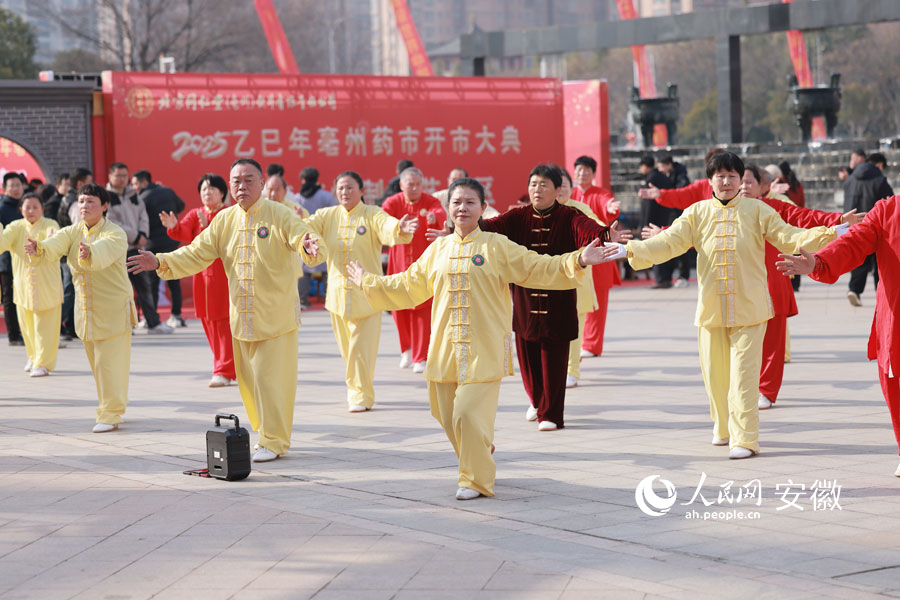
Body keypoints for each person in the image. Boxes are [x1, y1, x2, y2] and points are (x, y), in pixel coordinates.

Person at [346, 177, 622, 500]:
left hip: (484, 349)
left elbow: (536, 267)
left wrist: (576, 259)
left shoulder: (496, 246)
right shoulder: (439, 249)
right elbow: (408, 285)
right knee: (445, 413)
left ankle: (475, 479)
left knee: (466, 414)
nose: (462, 208)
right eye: (456, 202)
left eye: (470, 202)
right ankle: (480, 446)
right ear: (448, 208)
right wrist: (369, 282)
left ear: (483, 208)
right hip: (445, 349)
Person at [625, 152, 838, 459]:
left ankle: (745, 438)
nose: (726, 182)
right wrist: (629, 249)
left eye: (732, 176)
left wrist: (834, 233)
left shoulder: (758, 210)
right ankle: (723, 428)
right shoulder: (696, 212)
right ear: (709, 180)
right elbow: (668, 242)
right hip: (711, 309)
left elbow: (790, 236)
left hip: (751, 309)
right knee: (715, 377)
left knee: (743, 376)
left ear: (742, 181)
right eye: (719, 176)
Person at [127, 159, 324, 463]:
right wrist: (161, 262)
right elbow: (197, 252)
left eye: (248, 180)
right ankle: (266, 433)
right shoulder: (223, 220)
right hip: (241, 318)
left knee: (272, 382)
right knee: (250, 384)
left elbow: (303, 238)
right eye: (236, 181)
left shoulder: (280, 214)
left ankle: (274, 440)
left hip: (276, 318)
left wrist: (311, 248)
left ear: (261, 183)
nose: (241, 186)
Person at [479, 164, 625, 430]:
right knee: (528, 362)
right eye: (533, 184)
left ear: (558, 190)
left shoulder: (570, 215)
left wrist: (605, 235)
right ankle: (537, 402)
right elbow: (489, 227)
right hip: (525, 300)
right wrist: (463, 226)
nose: (537, 189)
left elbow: (589, 229)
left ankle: (551, 415)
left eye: (544, 184)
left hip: (558, 300)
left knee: (554, 364)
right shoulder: (517, 217)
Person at [777, 196, 900, 476]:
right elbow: (854, 242)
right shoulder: (887, 211)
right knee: (895, 384)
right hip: (896, 313)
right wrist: (819, 263)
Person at [25, 184, 137, 432]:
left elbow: (104, 252)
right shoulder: (72, 231)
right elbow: (54, 245)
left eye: (91, 201)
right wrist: (40, 248)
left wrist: (90, 251)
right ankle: (113, 406)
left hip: (113, 308)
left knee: (109, 365)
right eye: (81, 201)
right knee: (98, 365)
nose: (84, 206)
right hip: (86, 310)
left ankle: (110, 414)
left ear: (105, 206)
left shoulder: (115, 233)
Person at [304, 171, 418, 411]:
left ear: (362, 191)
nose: (345, 192)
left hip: (366, 297)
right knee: (349, 352)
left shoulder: (371, 214)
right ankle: (360, 389)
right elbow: (306, 227)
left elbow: (388, 226)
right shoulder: (327, 216)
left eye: (350, 187)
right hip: (337, 297)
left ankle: (359, 395)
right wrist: (300, 233)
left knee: (359, 350)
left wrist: (400, 227)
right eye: (341, 188)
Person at [160, 174, 236, 388]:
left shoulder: (229, 214)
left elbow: (224, 241)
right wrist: (174, 226)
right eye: (203, 189)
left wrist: (208, 225)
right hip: (202, 278)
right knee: (207, 320)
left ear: (222, 192)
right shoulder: (196, 214)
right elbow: (183, 231)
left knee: (223, 323)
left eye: (212, 189)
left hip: (223, 275)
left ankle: (224, 369)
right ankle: (222, 365)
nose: (207, 192)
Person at [382, 167, 446, 372]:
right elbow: (382, 219)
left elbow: (439, 211)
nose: (415, 187)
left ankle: (421, 356)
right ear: (402, 185)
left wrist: (434, 218)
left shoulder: (430, 201)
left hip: (422, 266)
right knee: (399, 308)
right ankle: (406, 350)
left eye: (418, 184)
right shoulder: (394, 202)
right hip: (399, 265)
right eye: (410, 184)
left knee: (422, 309)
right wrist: (397, 226)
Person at [105, 163, 171, 336]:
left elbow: (144, 216)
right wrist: (135, 236)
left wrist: (143, 234)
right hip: (117, 251)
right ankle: (125, 325)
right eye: (118, 175)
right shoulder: (105, 197)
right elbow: (110, 222)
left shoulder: (133, 194)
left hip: (136, 248)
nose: (121, 179)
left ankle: (153, 322)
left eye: (124, 175)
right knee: (121, 290)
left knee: (145, 287)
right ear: (110, 176)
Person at [0, 192, 61, 375]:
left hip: (46, 285)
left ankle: (43, 363)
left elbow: (55, 240)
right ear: (21, 209)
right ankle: (33, 356)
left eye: (35, 207)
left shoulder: (50, 224)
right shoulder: (15, 227)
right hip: (23, 286)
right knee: (27, 327)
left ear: (42, 208)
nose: (31, 210)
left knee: (45, 327)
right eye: (27, 207)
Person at [571, 155, 621, 359]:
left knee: (597, 303)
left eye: (586, 170)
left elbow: (606, 202)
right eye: (579, 170)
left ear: (593, 174)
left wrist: (610, 208)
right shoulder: (570, 194)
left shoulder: (600, 193)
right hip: (576, 257)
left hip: (599, 255)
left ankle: (592, 345)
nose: (582, 173)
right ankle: (578, 342)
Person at [131, 169, 186, 328]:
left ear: (144, 182)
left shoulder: (141, 198)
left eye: (135, 184)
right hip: (172, 241)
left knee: (152, 283)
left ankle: (151, 318)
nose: (134, 187)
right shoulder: (168, 191)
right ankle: (176, 316)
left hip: (153, 245)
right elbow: (181, 206)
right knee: (174, 281)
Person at [843, 153, 893, 307]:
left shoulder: (850, 179)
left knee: (860, 258)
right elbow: (891, 202)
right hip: (875, 225)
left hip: (854, 224)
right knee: (879, 262)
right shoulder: (880, 180)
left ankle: (854, 289)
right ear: (879, 165)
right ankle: (882, 293)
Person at [296, 166, 337, 309]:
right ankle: (328, 298)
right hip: (323, 237)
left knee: (303, 269)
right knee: (326, 269)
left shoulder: (297, 198)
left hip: (305, 237)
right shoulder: (326, 196)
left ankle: (303, 299)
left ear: (303, 180)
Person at [638, 155, 679, 289]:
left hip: (654, 220)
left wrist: (645, 222)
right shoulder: (661, 177)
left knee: (655, 249)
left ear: (645, 166)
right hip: (666, 216)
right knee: (665, 248)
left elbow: (648, 205)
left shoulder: (651, 179)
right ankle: (666, 278)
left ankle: (661, 279)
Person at [658, 155, 693, 286]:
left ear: (668, 165)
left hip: (680, 212)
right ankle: (669, 275)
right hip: (669, 212)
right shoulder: (666, 175)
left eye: (661, 166)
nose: (660, 170)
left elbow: (681, 192)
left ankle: (683, 276)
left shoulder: (681, 176)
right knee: (669, 241)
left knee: (681, 242)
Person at [1, 173, 25, 346]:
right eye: (12, 185)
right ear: (5, 188)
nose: (16, 188)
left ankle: (24, 332)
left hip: (25, 260)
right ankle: (13, 335)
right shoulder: (2, 208)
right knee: (9, 297)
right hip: (7, 260)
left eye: (19, 185)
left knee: (24, 295)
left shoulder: (27, 206)